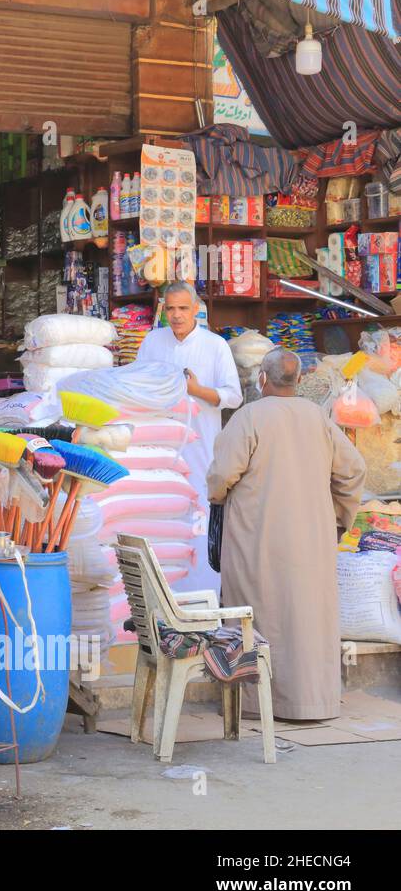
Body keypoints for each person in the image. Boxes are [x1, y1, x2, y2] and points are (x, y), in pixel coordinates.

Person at [206, 349, 365, 720]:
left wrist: (216, 496)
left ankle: (255, 703)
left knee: (257, 616)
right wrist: (339, 518)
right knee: (308, 617)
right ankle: (314, 702)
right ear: (298, 380)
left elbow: (221, 476)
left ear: (262, 379)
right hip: (312, 538)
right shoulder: (318, 417)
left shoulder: (248, 417)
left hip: (255, 537)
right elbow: (353, 469)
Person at [135, 282, 242, 593]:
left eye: (183, 308)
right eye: (171, 309)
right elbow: (138, 385)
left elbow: (233, 396)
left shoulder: (214, 346)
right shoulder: (153, 342)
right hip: (159, 452)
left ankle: (202, 597)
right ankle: (161, 597)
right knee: (161, 521)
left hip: (201, 452)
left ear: (196, 309)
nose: (177, 316)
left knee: (199, 521)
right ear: (163, 310)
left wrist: (197, 391)